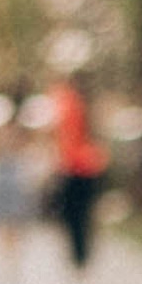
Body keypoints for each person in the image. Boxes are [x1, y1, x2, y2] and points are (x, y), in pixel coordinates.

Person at [45, 77, 108, 270]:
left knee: (73, 214)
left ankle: (79, 256)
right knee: (81, 214)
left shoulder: (68, 104)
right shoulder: (86, 107)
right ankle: (81, 255)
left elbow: (61, 136)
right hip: (87, 166)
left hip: (76, 168)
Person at [0, 103, 42, 282]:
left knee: (12, 226)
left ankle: (10, 261)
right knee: (7, 226)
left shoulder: (14, 135)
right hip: (8, 181)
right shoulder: (6, 134)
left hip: (14, 182)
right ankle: (8, 260)